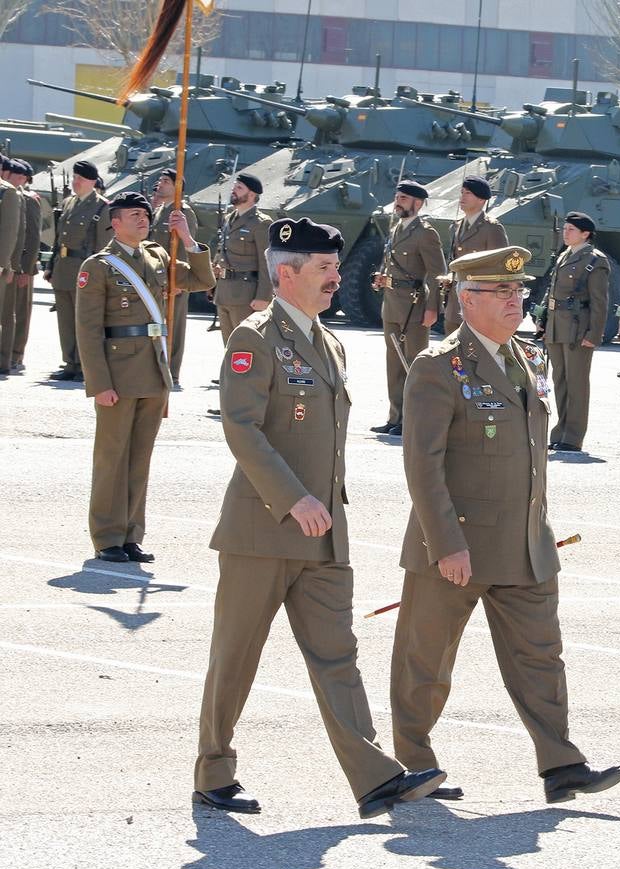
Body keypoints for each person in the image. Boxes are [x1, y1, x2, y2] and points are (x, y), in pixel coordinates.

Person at [195, 217, 445, 818]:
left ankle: (374, 775)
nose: (337, 278)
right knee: (236, 655)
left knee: (338, 653)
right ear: (286, 273)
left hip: (326, 532)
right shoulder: (255, 337)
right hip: (264, 529)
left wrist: (322, 507)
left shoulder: (328, 341)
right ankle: (213, 771)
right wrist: (293, 498)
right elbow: (242, 427)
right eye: (324, 269)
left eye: (336, 268)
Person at [391, 244, 620, 804]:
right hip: (459, 543)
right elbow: (422, 466)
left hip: (524, 544)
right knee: (426, 660)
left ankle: (561, 763)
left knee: (541, 657)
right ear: (466, 299)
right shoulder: (436, 367)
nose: (514, 301)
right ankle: (413, 763)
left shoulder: (527, 358)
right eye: (501, 292)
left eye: (518, 291)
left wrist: (540, 530)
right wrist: (445, 543)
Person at [75, 192, 215, 562]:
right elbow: (87, 330)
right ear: (114, 221)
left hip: (153, 369)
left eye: (145, 215)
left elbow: (202, 280)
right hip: (118, 373)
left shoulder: (158, 255)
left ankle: (131, 533)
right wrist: (99, 383)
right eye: (133, 215)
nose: (142, 220)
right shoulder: (100, 265)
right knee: (112, 456)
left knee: (140, 457)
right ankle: (106, 536)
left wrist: (187, 239)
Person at [370, 180, 446, 436]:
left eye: (403, 198)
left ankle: (412, 418)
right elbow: (390, 263)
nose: (397, 201)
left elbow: (438, 274)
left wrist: (433, 309)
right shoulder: (396, 230)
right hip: (391, 304)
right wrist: (382, 277)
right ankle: (395, 417)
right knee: (394, 364)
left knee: (413, 364)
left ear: (418, 203)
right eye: (397, 197)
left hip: (414, 306)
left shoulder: (425, 233)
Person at [539, 211, 610, 452]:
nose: (565, 233)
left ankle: (573, 435)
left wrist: (594, 335)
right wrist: (543, 319)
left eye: (570, 229)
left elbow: (600, 302)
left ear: (585, 234)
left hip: (578, 329)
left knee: (576, 383)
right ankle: (561, 429)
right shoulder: (564, 256)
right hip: (557, 326)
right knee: (559, 381)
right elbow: (552, 293)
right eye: (565, 229)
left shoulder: (594, 260)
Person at [50, 160, 110, 381]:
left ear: (92, 182)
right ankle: (70, 363)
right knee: (65, 321)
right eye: (75, 178)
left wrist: (100, 277)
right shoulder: (68, 203)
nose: (76, 182)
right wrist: (51, 266)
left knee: (85, 323)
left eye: (80, 179)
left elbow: (104, 246)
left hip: (86, 271)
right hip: (64, 269)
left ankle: (86, 366)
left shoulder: (103, 207)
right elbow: (59, 239)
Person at [148, 168, 199, 387]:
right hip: (156, 278)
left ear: (177, 187)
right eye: (160, 180)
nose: (160, 184)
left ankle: (172, 371)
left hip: (173, 280)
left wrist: (178, 280)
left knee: (173, 327)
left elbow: (186, 249)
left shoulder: (183, 212)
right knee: (156, 324)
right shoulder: (160, 211)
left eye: (166, 181)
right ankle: (155, 366)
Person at [212, 173, 273, 342]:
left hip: (246, 296)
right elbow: (222, 252)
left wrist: (264, 297)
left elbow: (267, 264)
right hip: (224, 293)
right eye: (234, 187)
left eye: (239, 188)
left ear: (252, 195)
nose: (234, 191)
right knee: (229, 347)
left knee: (245, 347)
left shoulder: (261, 223)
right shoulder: (229, 219)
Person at [444, 175, 508, 332]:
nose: (462, 197)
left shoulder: (491, 228)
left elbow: (501, 269)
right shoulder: (456, 227)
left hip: (480, 303)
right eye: (462, 192)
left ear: (481, 200)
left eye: (468, 193)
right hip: (455, 302)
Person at [0, 159, 39, 375]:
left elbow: (29, 236)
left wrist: (25, 268)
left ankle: (14, 355)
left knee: (15, 312)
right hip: (11, 261)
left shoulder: (23, 198)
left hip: (17, 263)